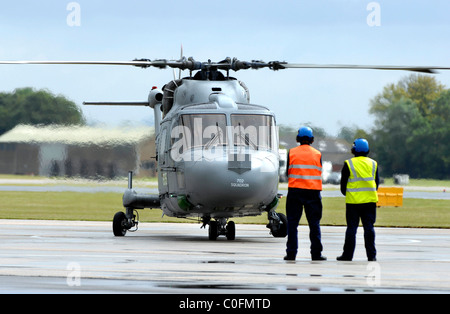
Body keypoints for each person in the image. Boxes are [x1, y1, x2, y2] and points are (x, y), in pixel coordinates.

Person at [284, 127, 326, 261]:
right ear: (312, 139)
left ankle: (291, 254)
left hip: (295, 191)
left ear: (298, 139)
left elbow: (287, 173)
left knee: (292, 224)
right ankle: (316, 254)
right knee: (314, 224)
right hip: (313, 192)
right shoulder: (317, 154)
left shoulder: (291, 152)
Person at [337, 138, 379, 262]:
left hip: (353, 202)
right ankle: (371, 256)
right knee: (369, 228)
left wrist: (349, 193)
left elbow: (343, 185)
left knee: (351, 229)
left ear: (354, 149)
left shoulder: (349, 164)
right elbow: (376, 183)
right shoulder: (373, 163)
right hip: (370, 201)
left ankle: (347, 255)